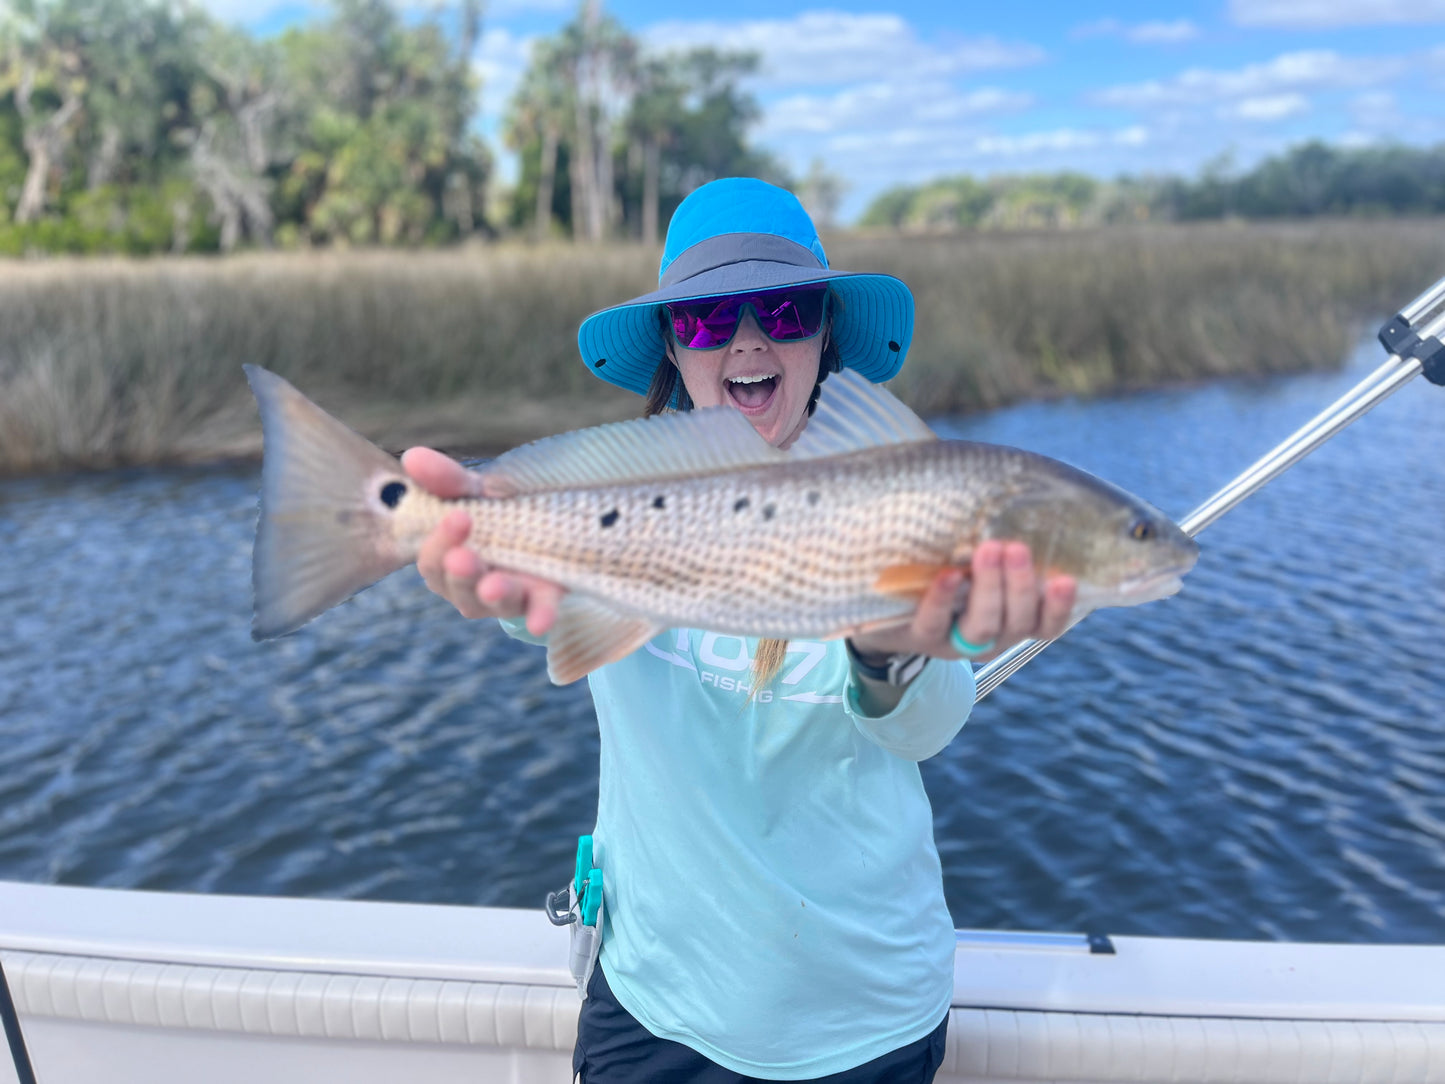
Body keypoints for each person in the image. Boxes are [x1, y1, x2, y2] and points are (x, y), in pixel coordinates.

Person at [402, 178, 1076, 1083]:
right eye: (709, 319)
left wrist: (884, 653)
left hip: (864, 1019)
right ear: (674, 352)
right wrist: (475, 563)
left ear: (824, 335)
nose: (750, 340)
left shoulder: (905, 498)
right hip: (654, 1000)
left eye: (784, 310)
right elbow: (542, 615)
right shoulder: (613, 504)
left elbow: (926, 725)